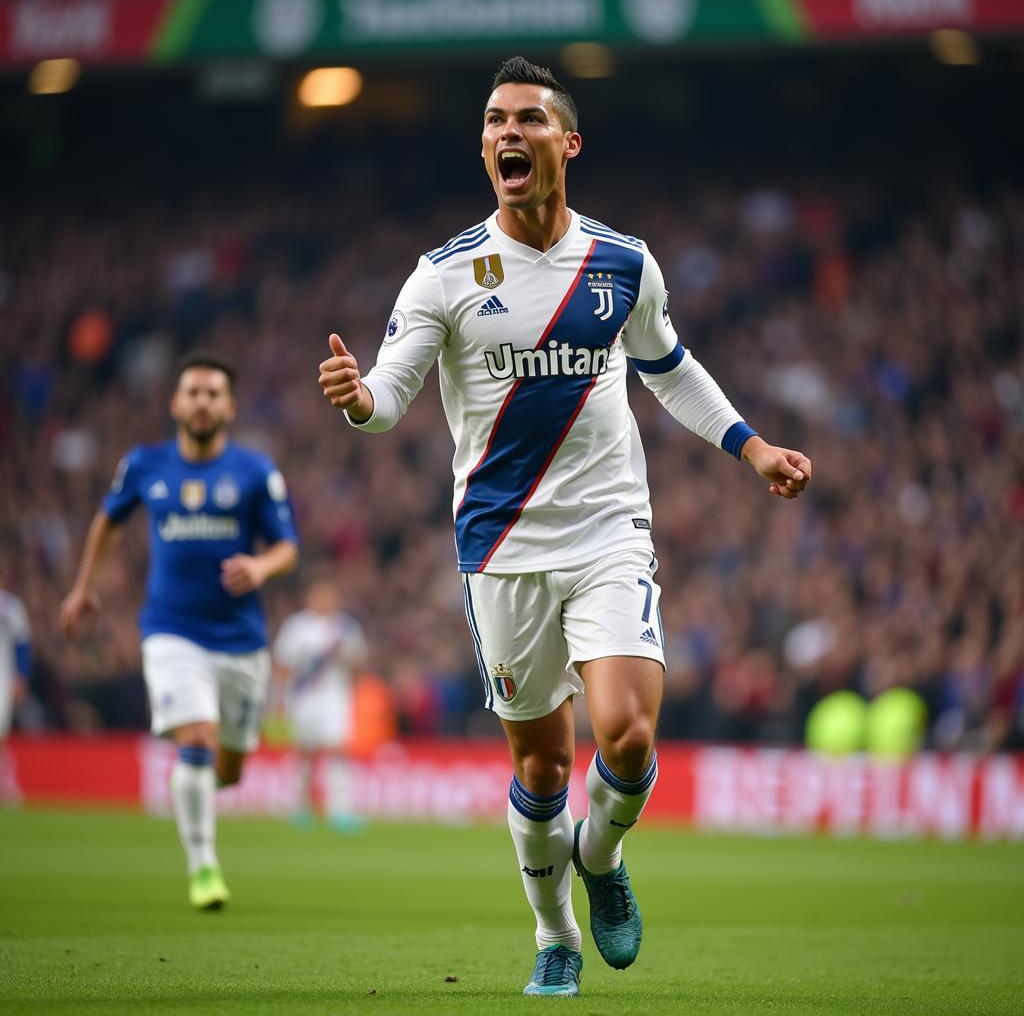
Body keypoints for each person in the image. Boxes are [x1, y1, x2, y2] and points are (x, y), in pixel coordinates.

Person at [318, 57, 811, 997]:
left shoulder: (623, 262)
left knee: (624, 738)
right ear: (485, 148)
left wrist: (751, 447)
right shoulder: (444, 275)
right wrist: (356, 401)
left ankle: (603, 857)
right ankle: (555, 936)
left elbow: (669, 367)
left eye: (530, 120)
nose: (510, 133)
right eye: (496, 121)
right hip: (500, 548)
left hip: (607, 532)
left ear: (567, 142)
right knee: (542, 766)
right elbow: (389, 396)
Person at [60, 352, 299, 910]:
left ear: (230, 407)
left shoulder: (255, 471)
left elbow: (289, 547)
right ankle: (203, 868)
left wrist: (260, 567)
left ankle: (191, 791)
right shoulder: (144, 465)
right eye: (193, 392)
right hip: (170, 630)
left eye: (213, 394)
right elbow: (108, 521)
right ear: (175, 402)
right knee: (195, 738)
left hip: (241, 640)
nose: (202, 402)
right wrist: (83, 586)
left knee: (230, 768)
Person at [273, 579, 367, 828]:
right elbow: (283, 665)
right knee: (305, 751)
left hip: (334, 695)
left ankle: (340, 808)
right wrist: (279, 699)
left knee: (338, 749)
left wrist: (352, 688)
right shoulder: (296, 627)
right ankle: (301, 806)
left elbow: (357, 664)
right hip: (303, 696)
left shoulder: (346, 627)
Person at [0, 577, 31, 806]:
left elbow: (23, 645)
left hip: (4, 678)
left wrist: (20, 676)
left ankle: (6, 784)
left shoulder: (10, 607)